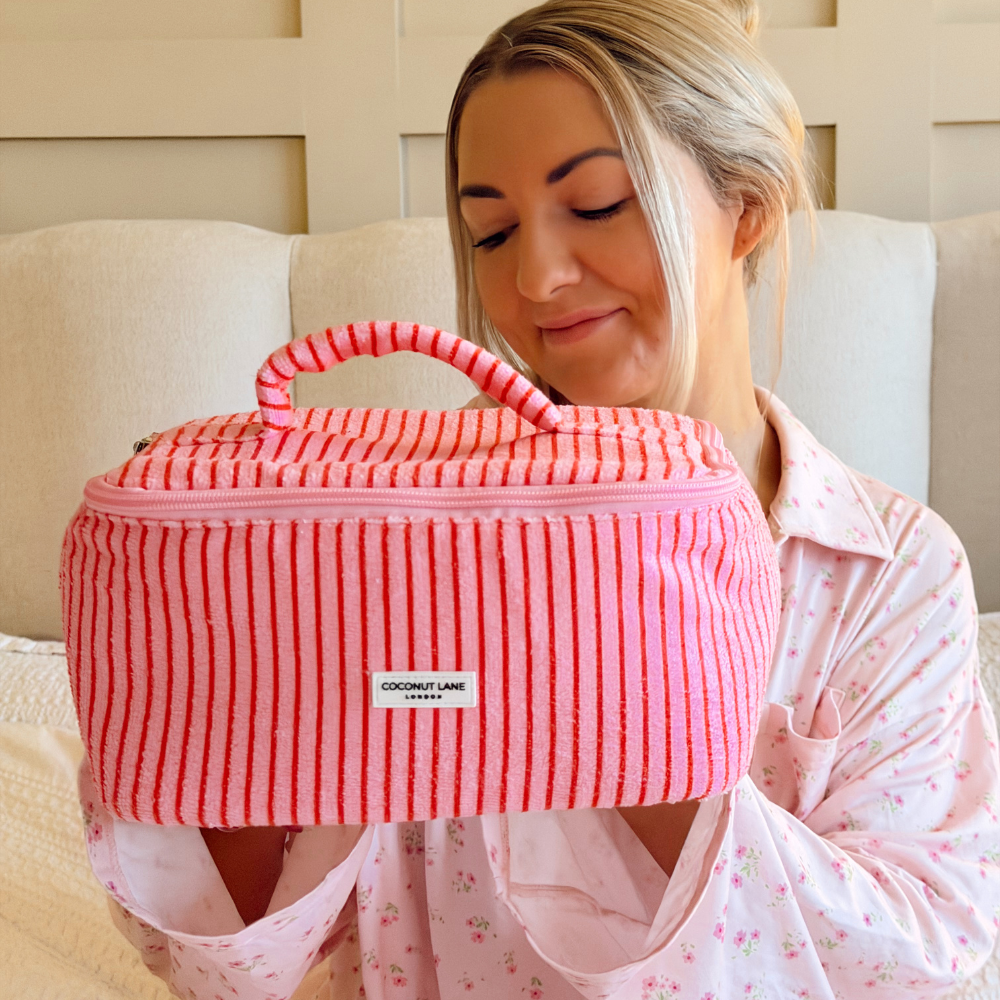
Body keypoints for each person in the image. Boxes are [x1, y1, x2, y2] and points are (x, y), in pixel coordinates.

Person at [79, 1, 999, 997]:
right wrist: (261, 669)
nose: (537, 277)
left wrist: (623, 696)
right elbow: (227, 964)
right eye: (490, 231)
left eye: (598, 204)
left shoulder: (887, 572)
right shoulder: (392, 536)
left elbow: (927, 959)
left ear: (748, 205)